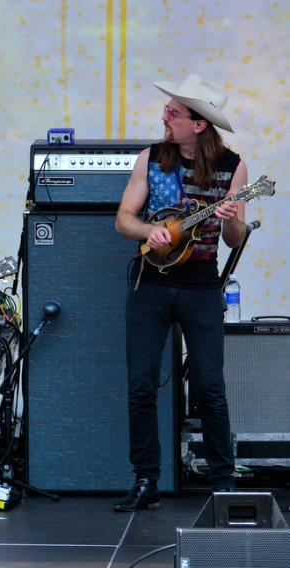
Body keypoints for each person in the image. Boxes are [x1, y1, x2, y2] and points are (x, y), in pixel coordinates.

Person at [114, 74, 246, 511]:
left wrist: (229, 218)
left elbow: (235, 237)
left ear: (199, 125)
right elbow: (124, 220)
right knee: (141, 386)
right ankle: (145, 479)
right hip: (151, 283)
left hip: (201, 286)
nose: (164, 117)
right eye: (168, 110)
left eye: (174, 112)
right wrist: (150, 232)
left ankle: (223, 482)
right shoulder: (151, 159)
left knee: (210, 385)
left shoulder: (233, 167)